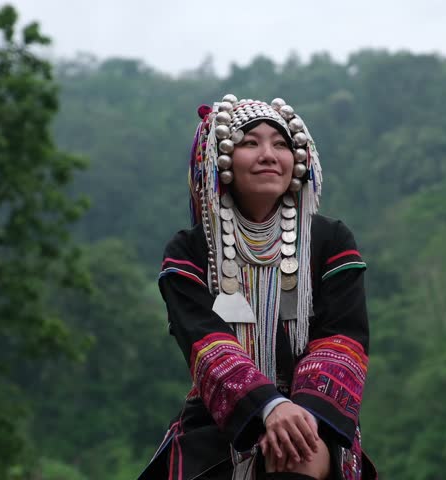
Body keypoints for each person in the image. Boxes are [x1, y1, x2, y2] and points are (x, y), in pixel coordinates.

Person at [139, 95, 376, 480]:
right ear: (221, 159)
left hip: (313, 418)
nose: (268, 155)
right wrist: (268, 407)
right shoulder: (190, 251)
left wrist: (297, 417)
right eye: (250, 143)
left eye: (281, 144)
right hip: (224, 418)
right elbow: (205, 341)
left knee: (302, 454)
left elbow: (342, 339)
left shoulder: (330, 241)